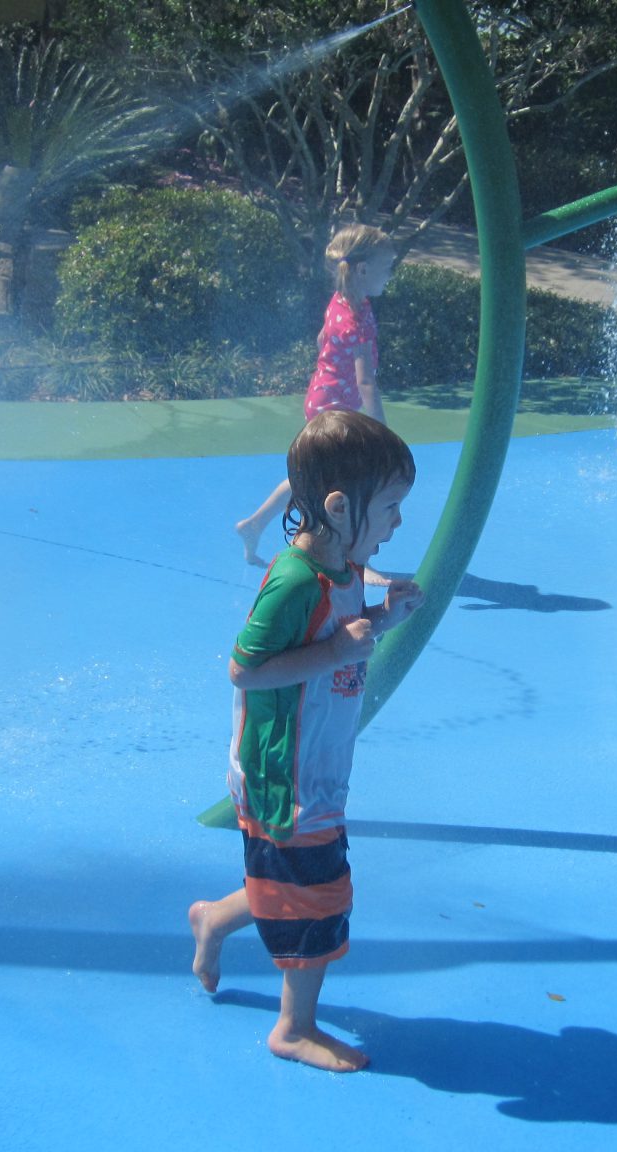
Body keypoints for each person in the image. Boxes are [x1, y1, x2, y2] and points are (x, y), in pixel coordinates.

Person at [192, 409, 424, 1072]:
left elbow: (340, 638)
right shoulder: (294, 582)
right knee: (320, 896)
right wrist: (332, 654)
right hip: (283, 769)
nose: (398, 523)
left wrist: (381, 618)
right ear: (337, 505)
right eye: (390, 507)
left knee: (288, 882)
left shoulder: (346, 568)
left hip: (318, 763)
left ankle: (212, 920)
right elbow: (245, 668)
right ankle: (293, 1028)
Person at [236, 224, 398, 569]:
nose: (390, 275)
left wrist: (326, 372)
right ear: (364, 270)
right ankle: (352, 560)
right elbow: (366, 380)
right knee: (342, 481)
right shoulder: (355, 318)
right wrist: (383, 433)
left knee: (314, 472)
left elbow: (323, 338)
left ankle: (255, 524)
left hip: (326, 396)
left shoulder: (344, 302)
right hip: (335, 408)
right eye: (387, 268)